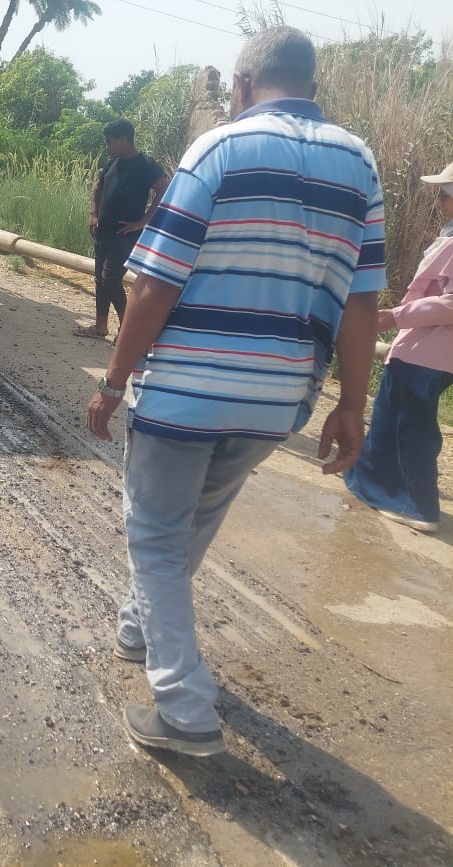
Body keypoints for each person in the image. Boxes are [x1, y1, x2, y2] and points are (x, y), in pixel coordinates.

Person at [85, 27, 384, 756]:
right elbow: (361, 300)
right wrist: (352, 404)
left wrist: (113, 382)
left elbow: (155, 285)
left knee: (156, 536)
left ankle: (184, 707)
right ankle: (138, 627)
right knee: (191, 525)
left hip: (186, 391)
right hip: (275, 403)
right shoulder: (360, 163)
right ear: (310, 85)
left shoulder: (219, 148)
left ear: (244, 86)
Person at [344, 164, 453, 533]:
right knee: (391, 418)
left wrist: (396, 315)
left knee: (411, 428)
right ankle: (377, 488)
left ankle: (416, 506)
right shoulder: (449, 235)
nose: (438, 203)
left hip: (429, 352)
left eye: (444, 195)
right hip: (421, 348)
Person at [75, 119, 168, 340]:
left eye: (110, 141)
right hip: (103, 230)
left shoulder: (145, 164)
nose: (106, 146)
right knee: (100, 279)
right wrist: (93, 214)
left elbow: (164, 190)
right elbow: (98, 187)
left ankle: (126, 329)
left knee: (111, 278)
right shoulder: (112, 163)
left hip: (126, 234)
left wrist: (144, 221)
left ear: (124, 140)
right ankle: (100, 326)